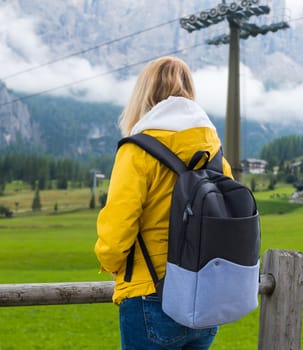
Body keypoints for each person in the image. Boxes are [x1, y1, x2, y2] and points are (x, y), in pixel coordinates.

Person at [94, 56, 233, 350]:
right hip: (205, 297)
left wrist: (109, 262)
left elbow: (118, 227)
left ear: (143, 94)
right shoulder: (216, 154)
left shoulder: (137, 150)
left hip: (152, 292)